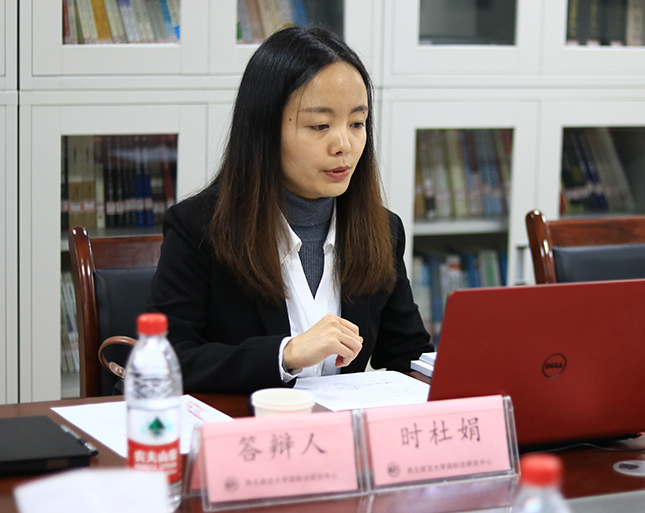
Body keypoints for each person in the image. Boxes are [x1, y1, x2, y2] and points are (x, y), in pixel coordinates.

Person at [146, 27, 434, 393]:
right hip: (246, 425)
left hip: (341, 427)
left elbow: (408, 355)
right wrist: (286, 354)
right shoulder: (199, 229)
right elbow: (166, 361)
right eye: (320, 125)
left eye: (357, 123)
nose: (344, 144)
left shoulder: (382, 230)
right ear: (265, 130)